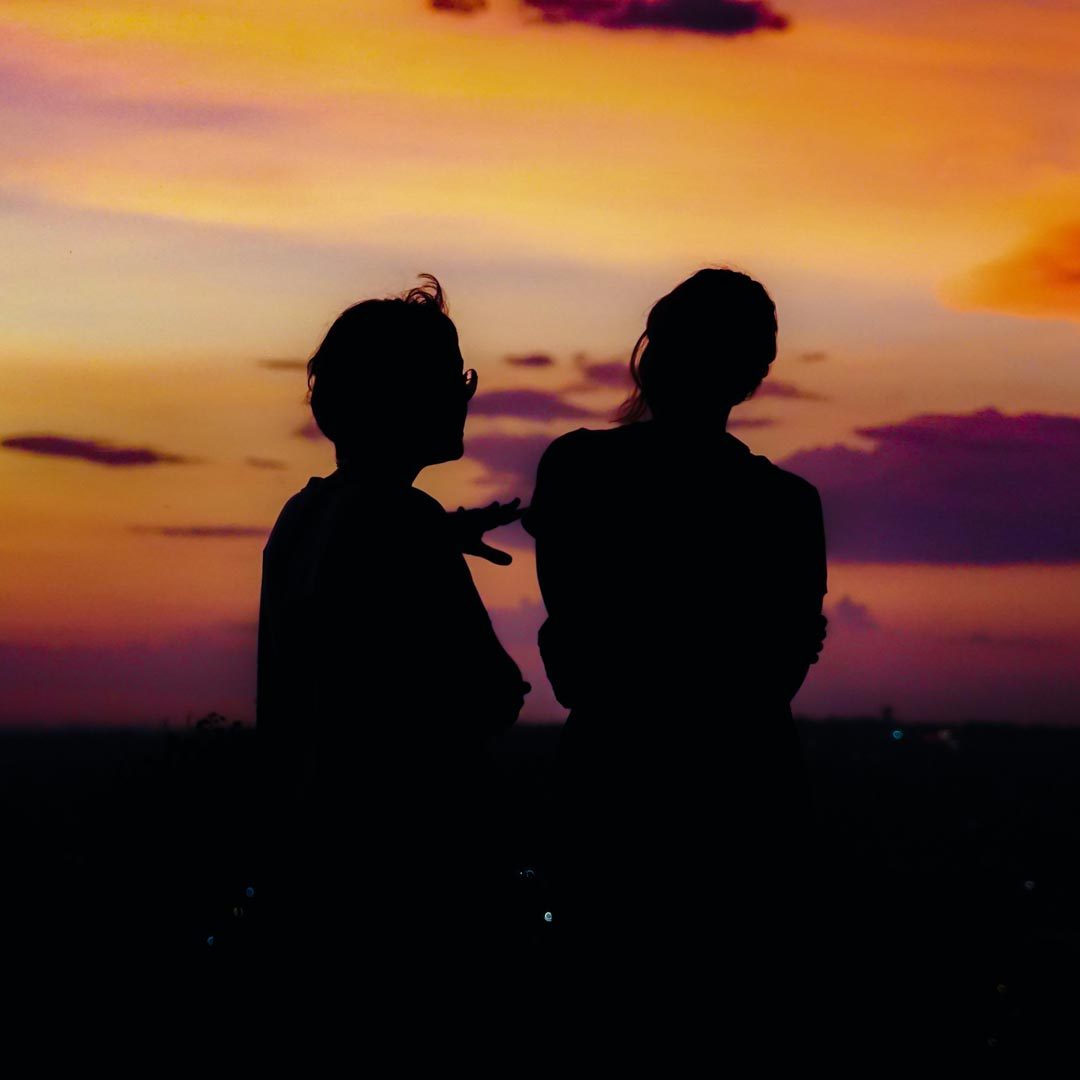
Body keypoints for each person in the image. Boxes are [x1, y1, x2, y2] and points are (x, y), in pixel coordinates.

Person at [522, 268, 828, 1033]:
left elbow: (573, 661)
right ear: (753, 374)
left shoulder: (579, 470)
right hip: (744, 807)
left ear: (653, 353)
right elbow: (776, 676)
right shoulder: (787, 507)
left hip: (613, 796)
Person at [254, 274, 529, 987]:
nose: (463, 396)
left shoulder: (303, 516)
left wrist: (437, 538)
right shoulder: (403, 522)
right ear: (401, 398)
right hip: (410, 871)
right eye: (450, 379)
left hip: (317, 855)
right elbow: (491, 695)